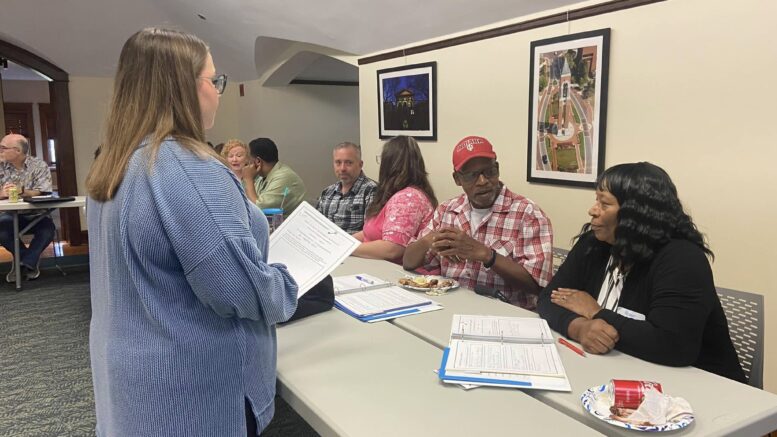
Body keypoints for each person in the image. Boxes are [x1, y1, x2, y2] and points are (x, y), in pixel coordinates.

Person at [85, 27, 299, 436]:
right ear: (182, 88)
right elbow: (238, 291)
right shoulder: (188, 167)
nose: (218, 91)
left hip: (132, 375)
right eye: (213, 80)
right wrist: (288, 285)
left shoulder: (116, 162)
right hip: (190, 393)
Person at [537, 162, 746, 383]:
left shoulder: (682, 259)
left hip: (703, 387)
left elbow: (673, 346)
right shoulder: (595, 243)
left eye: (604, 203)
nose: (593, 210)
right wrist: (579, 327)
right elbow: (548, 299)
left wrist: (596, 313)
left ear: (634, 215)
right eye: (596, 200)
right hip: (622, 373)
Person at [403, 135, 553, 310]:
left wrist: (487, 255)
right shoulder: (447, 211)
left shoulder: (528, 214)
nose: (483, 181)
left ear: (497, 168)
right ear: (457, 179)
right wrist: (432, 238)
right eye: (471, 176)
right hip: (451, 309)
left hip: (506, 316)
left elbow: (538, 286)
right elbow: (408, 262)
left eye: (489, 171)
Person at [351, 136, 437, 264]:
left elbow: (392, 249)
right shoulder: (394, 194)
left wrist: (348, 249)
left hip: (400, 275)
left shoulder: (408, 198)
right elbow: (369, 233)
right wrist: (343, 242)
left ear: (389, 164)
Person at [0, 133, 55, 281]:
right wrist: (2, 193)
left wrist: (22, 191)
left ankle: (21, 264)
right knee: (2, 231)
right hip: (9, 215)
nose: (1, 151)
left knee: (48, 230)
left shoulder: (39, 165)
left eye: (3, 148)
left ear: (17, 151)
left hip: (36, 213)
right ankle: (28, 262)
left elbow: (43, 191)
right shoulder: (1, 165)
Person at [315, 142, 377, 233]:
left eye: (348, 163)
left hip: (357, 246)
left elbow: (371, 233)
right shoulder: (327, 192)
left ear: (360, 164)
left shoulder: (372, 191)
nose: (342, 168)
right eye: (338, 163)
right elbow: (316, 226)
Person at [242, 137, 306, 214]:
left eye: (248, 160)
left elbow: (258, 211)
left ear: (258, 161)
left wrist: (248, 179)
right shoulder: (261, 177)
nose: (246, 164)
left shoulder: (284, 177)